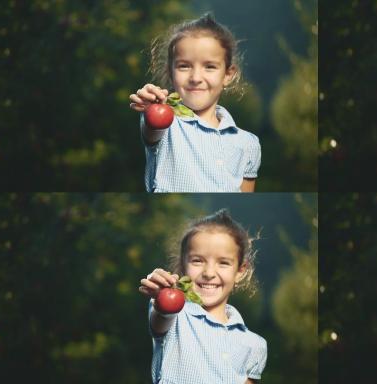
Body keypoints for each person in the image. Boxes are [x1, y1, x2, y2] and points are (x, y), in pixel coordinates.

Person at [129, 14, 261, 192]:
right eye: (184, 66)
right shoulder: (167, 124)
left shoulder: (248, 144)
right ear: (170, 72)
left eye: (210, 66)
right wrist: (151, 107)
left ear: (228, 75)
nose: (196, 78)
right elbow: (152, 129)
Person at [139, 209, 266, 383]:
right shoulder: (177, 317)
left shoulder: (254, 345)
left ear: (240, 271)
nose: (208, 273)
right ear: (183, 264)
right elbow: (162, 315)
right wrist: (162, 296)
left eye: (223, 263)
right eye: (197, 260)